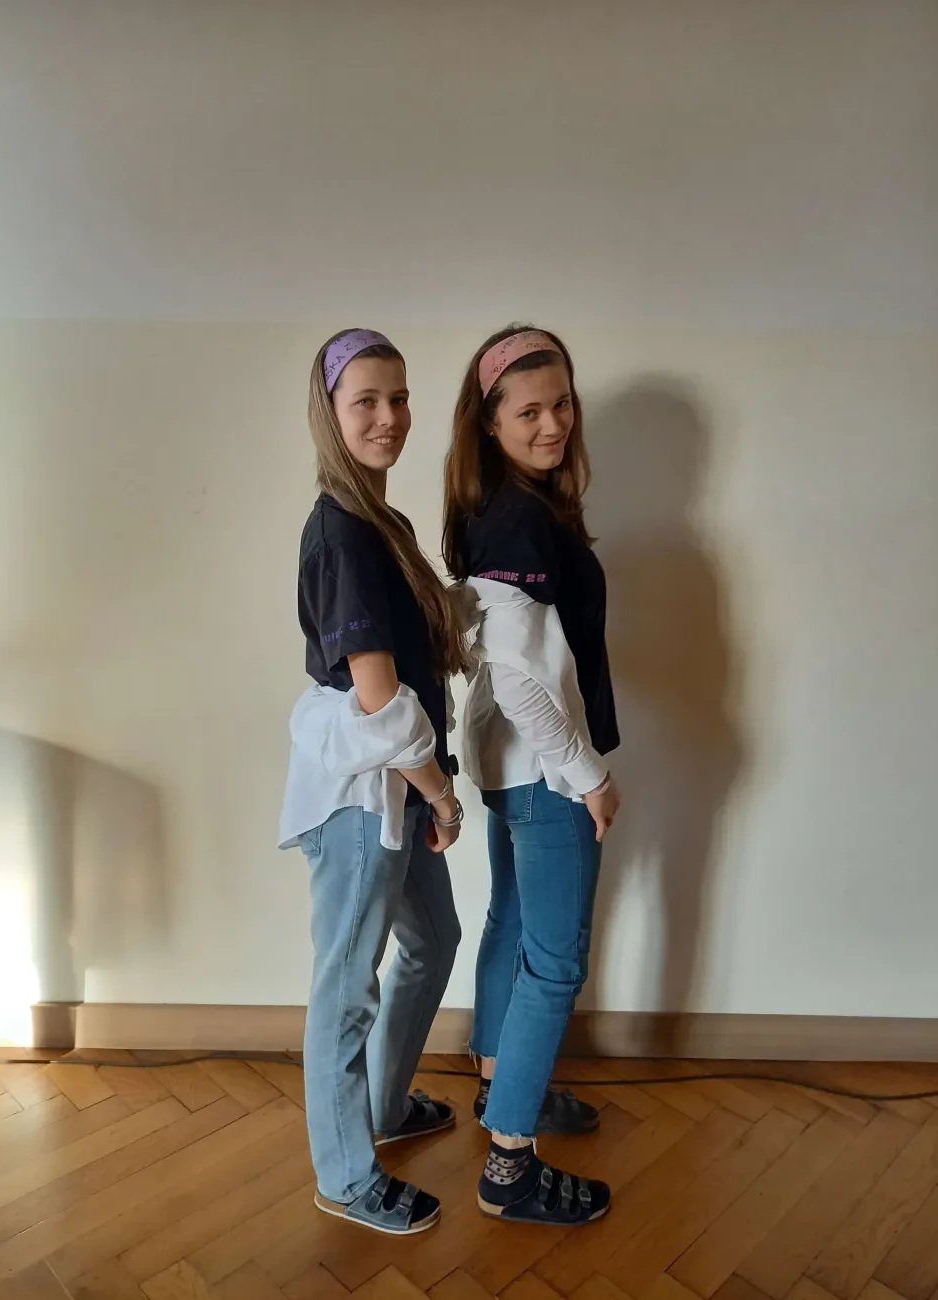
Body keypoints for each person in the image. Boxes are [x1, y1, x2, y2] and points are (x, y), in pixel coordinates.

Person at [280, 328, 469, 1236]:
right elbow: (381, 700)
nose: (389, 416)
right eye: (366, 400)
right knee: (346, 984)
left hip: (398, 785)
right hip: (364, 798)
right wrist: (440, 792)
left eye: (398, 397)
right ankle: (348, 1177)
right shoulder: (343, 533)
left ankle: (385, 1109)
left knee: (433, 938)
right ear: (330, 412)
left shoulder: (379, 522)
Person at [443, 324, 622, 1226]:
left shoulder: (499, 507)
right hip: (545, 776)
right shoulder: (517, 518)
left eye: (561, 405)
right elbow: (517, 676)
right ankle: (509, 1168)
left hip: (508, 769)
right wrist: (586, 775)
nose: (552, 424)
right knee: (553, 966)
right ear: (489, 422)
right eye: (528, 413)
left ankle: (500, 1086)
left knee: (511, 923)